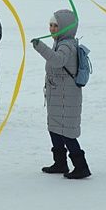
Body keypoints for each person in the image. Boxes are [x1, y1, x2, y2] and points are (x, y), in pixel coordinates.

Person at [32, 9, 90, 179]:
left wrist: (39, 47)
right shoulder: (60, 42)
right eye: (50, 25)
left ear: (66, 27)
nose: (51, 29)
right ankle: (60, 163)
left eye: (56, 26)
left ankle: (81, 166)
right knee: (55, 129)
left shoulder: (67, 45)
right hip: (58, 95)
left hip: (67, 97)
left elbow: (57, 61)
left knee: (67, 132)